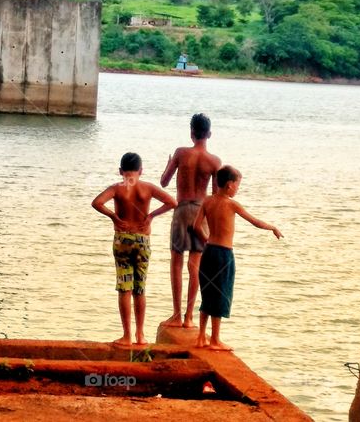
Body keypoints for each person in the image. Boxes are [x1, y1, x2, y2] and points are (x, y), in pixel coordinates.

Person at [192, 166, 283, 351]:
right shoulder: (232, 204)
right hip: (223, 254)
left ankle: (201, 337)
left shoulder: (207, 201)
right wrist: (272, 227)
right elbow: (254, 221)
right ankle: (215, 340)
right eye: (237, 184)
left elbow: (195, 226)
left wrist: (207, 240)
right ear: (229, 185)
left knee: (208, 292)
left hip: (208, 251)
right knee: (221, 293)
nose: (238, 188)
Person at [93, 152, 177, 347]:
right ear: (141, 170)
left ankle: (126, 336)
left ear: (120, 171)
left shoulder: (117, 188)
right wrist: (150, 216)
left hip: (122, 239)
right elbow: (172, 202)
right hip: (142, 239)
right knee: (140, 288)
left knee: (125, 288)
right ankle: (140, 336)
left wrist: (114, 217)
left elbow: (97, 202)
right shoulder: (146, 188)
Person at [160, 114, 221, 328]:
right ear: (209, 134)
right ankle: (189, 317)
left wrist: (168, 164)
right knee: (195, 264)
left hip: (181, 208)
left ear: (191, 132)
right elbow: (215, 195)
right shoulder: (214, 161)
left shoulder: (180, 153)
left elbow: (164, 182)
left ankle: (176, 314)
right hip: (201, 212)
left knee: (176, 262)